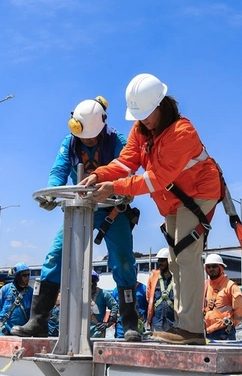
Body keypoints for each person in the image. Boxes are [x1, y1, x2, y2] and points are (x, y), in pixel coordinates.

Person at [83, 73, 223, 345]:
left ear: (161, 105)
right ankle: (184, 326)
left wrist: (114, 187)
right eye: (140, 115)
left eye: (147, 114)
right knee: (175, 260)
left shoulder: (182, 133)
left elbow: (155, 179)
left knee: (186, 257)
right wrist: (100, 174)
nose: (143, 120)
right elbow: (126, 162)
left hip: (198, 193)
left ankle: (192, 329)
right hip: (173, 199)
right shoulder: (141, 129)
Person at [12, 97, 141, 341]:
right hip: (80, 208)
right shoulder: (69, 143)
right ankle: (38, 320)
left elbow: (127, 167)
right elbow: (59, 170)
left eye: (92, 137)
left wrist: (119, 188)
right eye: (84, 137)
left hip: (112, 209)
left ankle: (130, 324)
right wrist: (51, 192)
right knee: (55, 256)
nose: (88, 141)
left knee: (123, 261)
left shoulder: (117, 141)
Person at [203, 253, 242, 341]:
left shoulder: (231, 286)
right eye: (209, 267)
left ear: (221, 267)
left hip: (225, 331)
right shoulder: (205, 285)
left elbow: (239, 310)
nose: (211, 269)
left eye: (214, 266)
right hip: (208, 331)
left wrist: (231, 324)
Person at [0, 263, 33, 335]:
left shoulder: (31, 292)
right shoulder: (5, 289)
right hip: (6, 330)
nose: (27, 278)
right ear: (17, 276)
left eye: (28, 275)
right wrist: (3, 322)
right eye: (24, 275)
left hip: (23, 331)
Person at [146, 247, 176, 333]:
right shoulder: (153, 277)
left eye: (162, 260)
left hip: (173, 322)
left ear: (169, 261)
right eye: (159, 261)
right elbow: (148, 297)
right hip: (156, 321)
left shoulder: (177, 277)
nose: (160, 263)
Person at [90, 271, 118, 338]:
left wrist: (108, 323)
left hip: (97, 333)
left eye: (93, 281)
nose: (91, 283)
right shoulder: (79, 294)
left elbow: (114, 306)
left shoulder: (103, 294)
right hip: (80, 332)